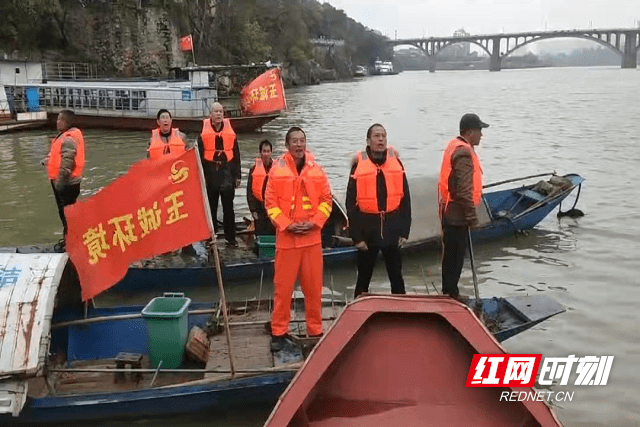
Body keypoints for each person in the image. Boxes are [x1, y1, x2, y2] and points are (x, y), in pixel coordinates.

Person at [265, 127, 333, 350]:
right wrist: (287, 225)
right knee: (283, 290)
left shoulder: (317, 170)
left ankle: (315, 330)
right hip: (287, 240)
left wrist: (315, 222)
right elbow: (271, 205)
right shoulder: (276, 171)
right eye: (294, 141)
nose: (298, 144)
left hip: (312, 239)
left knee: (314, 289)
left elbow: (326, 200)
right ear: (287, 145)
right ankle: (279, 332)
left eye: (302, 140)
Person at [346, 123, 411, 298]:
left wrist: (405, 231)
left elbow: (406, 199)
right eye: (376, 136)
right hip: (368, 231)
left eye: (383, 135)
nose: (380, 139)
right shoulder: (359, 164)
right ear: (368, 140)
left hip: (392, 228)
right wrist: (356, 237)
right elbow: (350, 204)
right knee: (363, 279)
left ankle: (401, 312)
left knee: (397, 277)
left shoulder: (395, 162)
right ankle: (358, 311)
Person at [438, 113, 489, 301]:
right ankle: (451, 295)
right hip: (457, 215)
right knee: (455, 259)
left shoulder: (454, 146)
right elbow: (464, 190)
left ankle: (449, 292)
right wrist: (473, 219)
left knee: (451, 258)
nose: (481, 135)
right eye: (479, 130)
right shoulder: (463, 152)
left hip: (450, 211)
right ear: (469, 132)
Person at [149, 109, 195, 255]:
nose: (165, 120)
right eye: (162, 118)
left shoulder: (181, 137)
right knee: (164, 217)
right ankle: (166, 247)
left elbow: (190, 159)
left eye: (167, 118)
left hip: (179, 183)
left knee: (183, 215)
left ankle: (187, 245)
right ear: (158, 122)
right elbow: (148, 164)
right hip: (162, 185)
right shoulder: (152, 140)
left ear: (171, 121)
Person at [197, 102, 241, 246]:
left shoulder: (230, 131)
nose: (218, 114)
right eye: (216, 111)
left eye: (221, 111)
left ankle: (231, 238)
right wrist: (201, 177)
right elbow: (199, 156)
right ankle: (211, 237)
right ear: (211, 114)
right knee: (211, 207)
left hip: (227, 172)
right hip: (211, 173)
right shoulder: (203, 132)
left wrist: (238, 175)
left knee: (229, 208)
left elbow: (236, 154)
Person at [44, 109, 85, 252]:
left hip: (66, 183)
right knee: (67, 213)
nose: (57, 122)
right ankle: (70, 239)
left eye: (60, 119)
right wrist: (48, 161)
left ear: (66, 122)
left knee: (66, 214)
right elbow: (60, 156)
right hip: (67, 182)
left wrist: (60, 183)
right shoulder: (65, 136)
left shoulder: (68, 138)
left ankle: (72, 243)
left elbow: (67, 163)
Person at [246, 139, 276, 236]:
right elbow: (249, 192)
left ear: (271, 152)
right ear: (260, 152)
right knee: (261, 235)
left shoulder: (278, 169)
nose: (266, 154)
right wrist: (253, 210)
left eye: (268, 151)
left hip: (274, 208)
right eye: (264, 151)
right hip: (259, 209)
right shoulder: (254, 169)